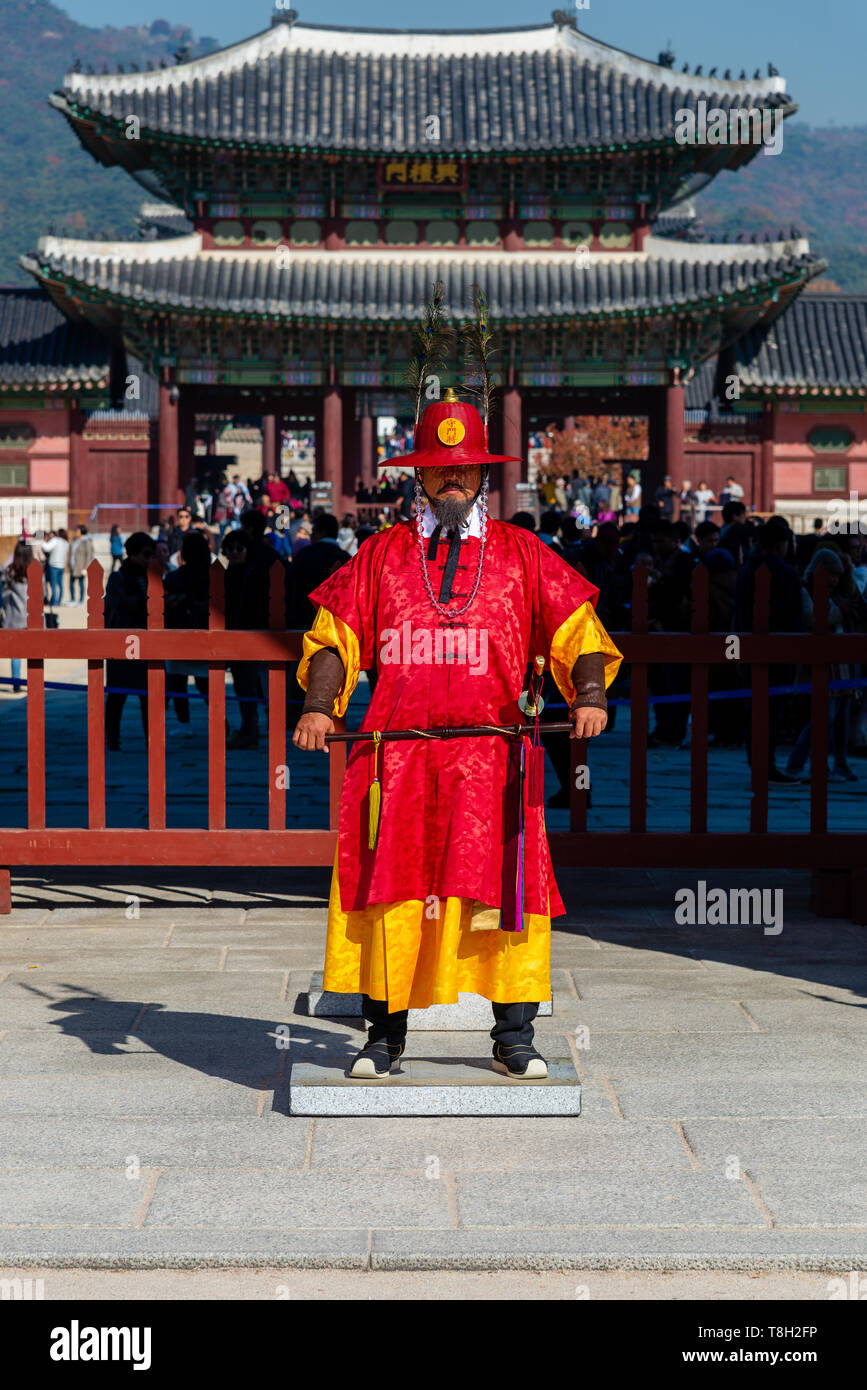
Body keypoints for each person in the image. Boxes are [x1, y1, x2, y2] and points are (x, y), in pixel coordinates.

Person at [292, 387, 622, 1081]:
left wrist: (587, 692)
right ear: (418, 475)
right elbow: (333, 636)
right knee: (392, 892)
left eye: (464, 469)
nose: (452, 480)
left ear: (482, 477)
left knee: (506, 889)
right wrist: (322, 706)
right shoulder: (380, 555)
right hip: (397, 754)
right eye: (439, 469)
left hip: (492, 755)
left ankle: (513, 1037)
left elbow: (576, 628)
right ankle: (383, 1037)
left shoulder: (521, 552)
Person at [104, 531, 154, 750]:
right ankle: (112, 739)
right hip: (123, 642)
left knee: (149, 697)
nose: (149, 558)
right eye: (145, 554)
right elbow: (119, 603)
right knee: (117, 697)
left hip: (148, 642)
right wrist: (145, 602)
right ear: (133, 553)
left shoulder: (153, 575)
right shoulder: (119, 576)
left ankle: (151, 739)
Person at [164, 530, 212, 726]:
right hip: (205, 635)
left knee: (177, 682)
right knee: (206, 683)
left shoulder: (174, 578)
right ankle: (220, 720)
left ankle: (183, 721)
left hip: (179, 634)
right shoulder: (213, 576)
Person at [1, 541, 32, 692]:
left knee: (16, 653)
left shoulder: (10, 572)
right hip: (32, 616)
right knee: (34, 651)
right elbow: (44, 594)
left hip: (15, 616)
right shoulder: (35, 572)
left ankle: (16, 682)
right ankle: (34, 680)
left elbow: (5, 595)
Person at [42, 528, 70, 606]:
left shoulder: (55, 540)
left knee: (53, 585)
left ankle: (54, 602)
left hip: (54, 565)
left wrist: (41, 541)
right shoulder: (66, 542)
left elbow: (46, 548)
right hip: (62, 566)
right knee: (60, 585)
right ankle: (59, 601)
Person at [68, 525, 94, 606]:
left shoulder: (87, 542)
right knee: (71, 583)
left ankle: (81, 600)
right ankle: (72, 599)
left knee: (81, 583)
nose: (76, 533)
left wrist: (86, 567)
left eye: (77, 531)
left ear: (82, 532)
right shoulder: (74, 541)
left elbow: (89, 555)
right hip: (73, 565)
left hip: (81, 566)